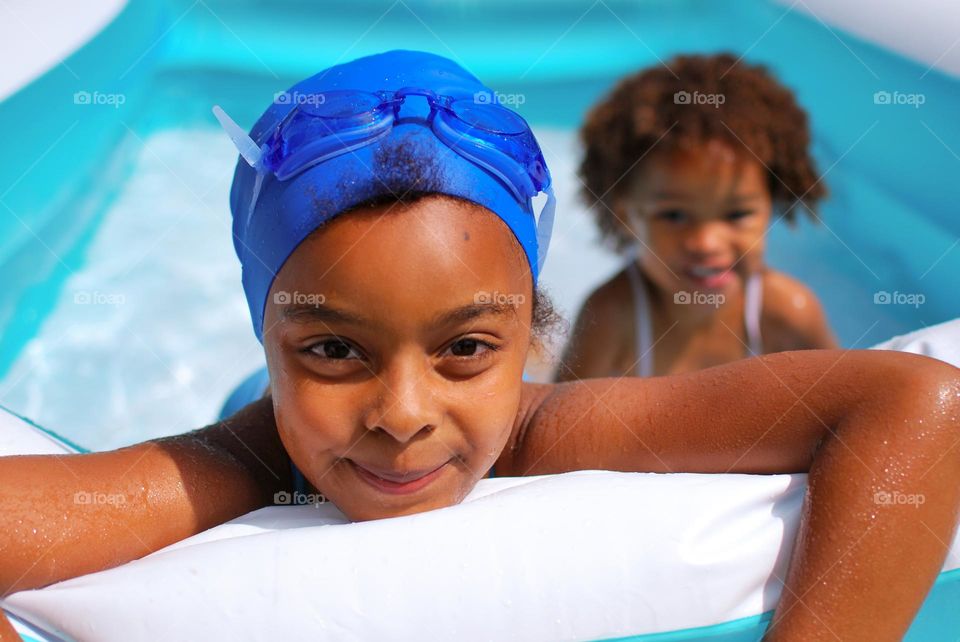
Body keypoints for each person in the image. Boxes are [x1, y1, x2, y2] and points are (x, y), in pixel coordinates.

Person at [1, 51, 958, 642]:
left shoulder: (560, 428)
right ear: (268, 330)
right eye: (333, 350)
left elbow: (915, 402)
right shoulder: (254, 459)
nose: (404, 415)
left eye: (465, 348)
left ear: (527, 333)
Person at [558, 53, 838, 381]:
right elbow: (556, 426)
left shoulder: (788, 313)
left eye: (736, 214)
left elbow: (849, 405)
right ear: (624, 216)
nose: (706, 243)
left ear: (770, 205)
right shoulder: (613, 318)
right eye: (674, 215)